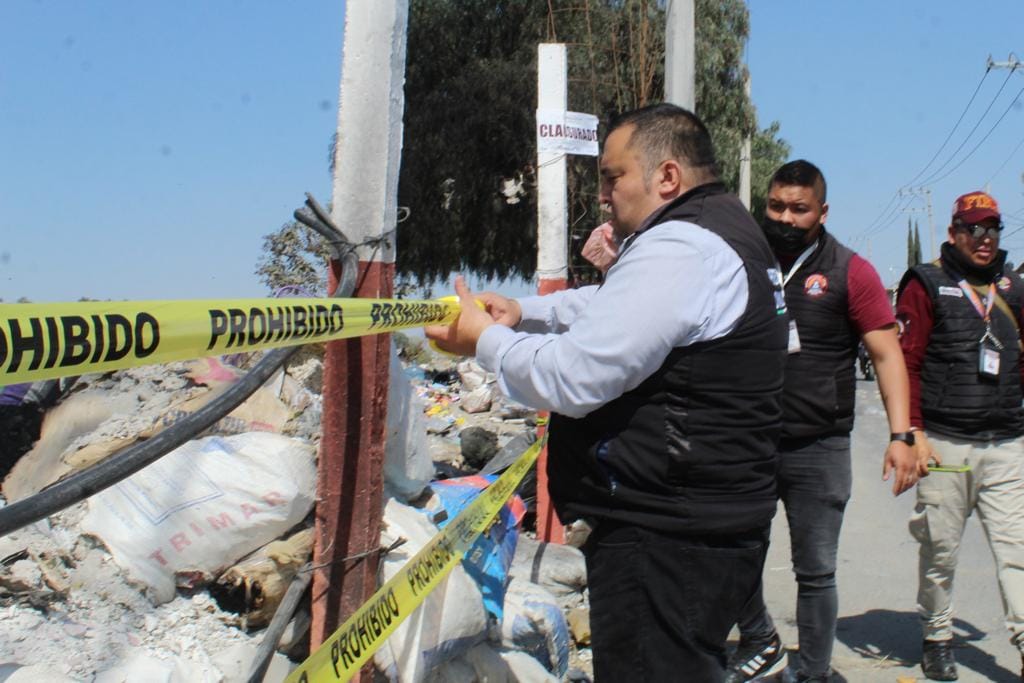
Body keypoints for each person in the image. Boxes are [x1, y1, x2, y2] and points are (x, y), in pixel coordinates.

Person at [426, 103, 788, 681]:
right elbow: (617, 305)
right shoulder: (721, 231)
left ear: (666, 176)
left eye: (612, 176)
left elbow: (573, 379)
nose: (602, 195)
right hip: (702, 519)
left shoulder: (683, 247)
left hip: (667, 533)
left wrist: (487, 341)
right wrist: (523, 313)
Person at [726, 160, 922, 683]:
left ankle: (812, 674)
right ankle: (762, 639)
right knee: (732, 551)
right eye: (776, 206)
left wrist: (901, 435)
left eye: (799, 209)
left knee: (815, 571)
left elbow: (885, 356)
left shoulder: (850, 270)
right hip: (748, 440)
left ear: (822, 211)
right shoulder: (745, 258)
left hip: (820, 447)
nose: (785, 218)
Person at [896, 190, 1024, 682]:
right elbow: (907, 364)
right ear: (953, 233)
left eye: (992, 228)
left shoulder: (1012, 287)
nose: (984, 238)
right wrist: (913, 434)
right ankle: (938, 636)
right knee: (941, 550)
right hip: (945, 445)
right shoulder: (926, 283)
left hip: (1006, 444)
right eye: (973, 228)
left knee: (1016, 552)